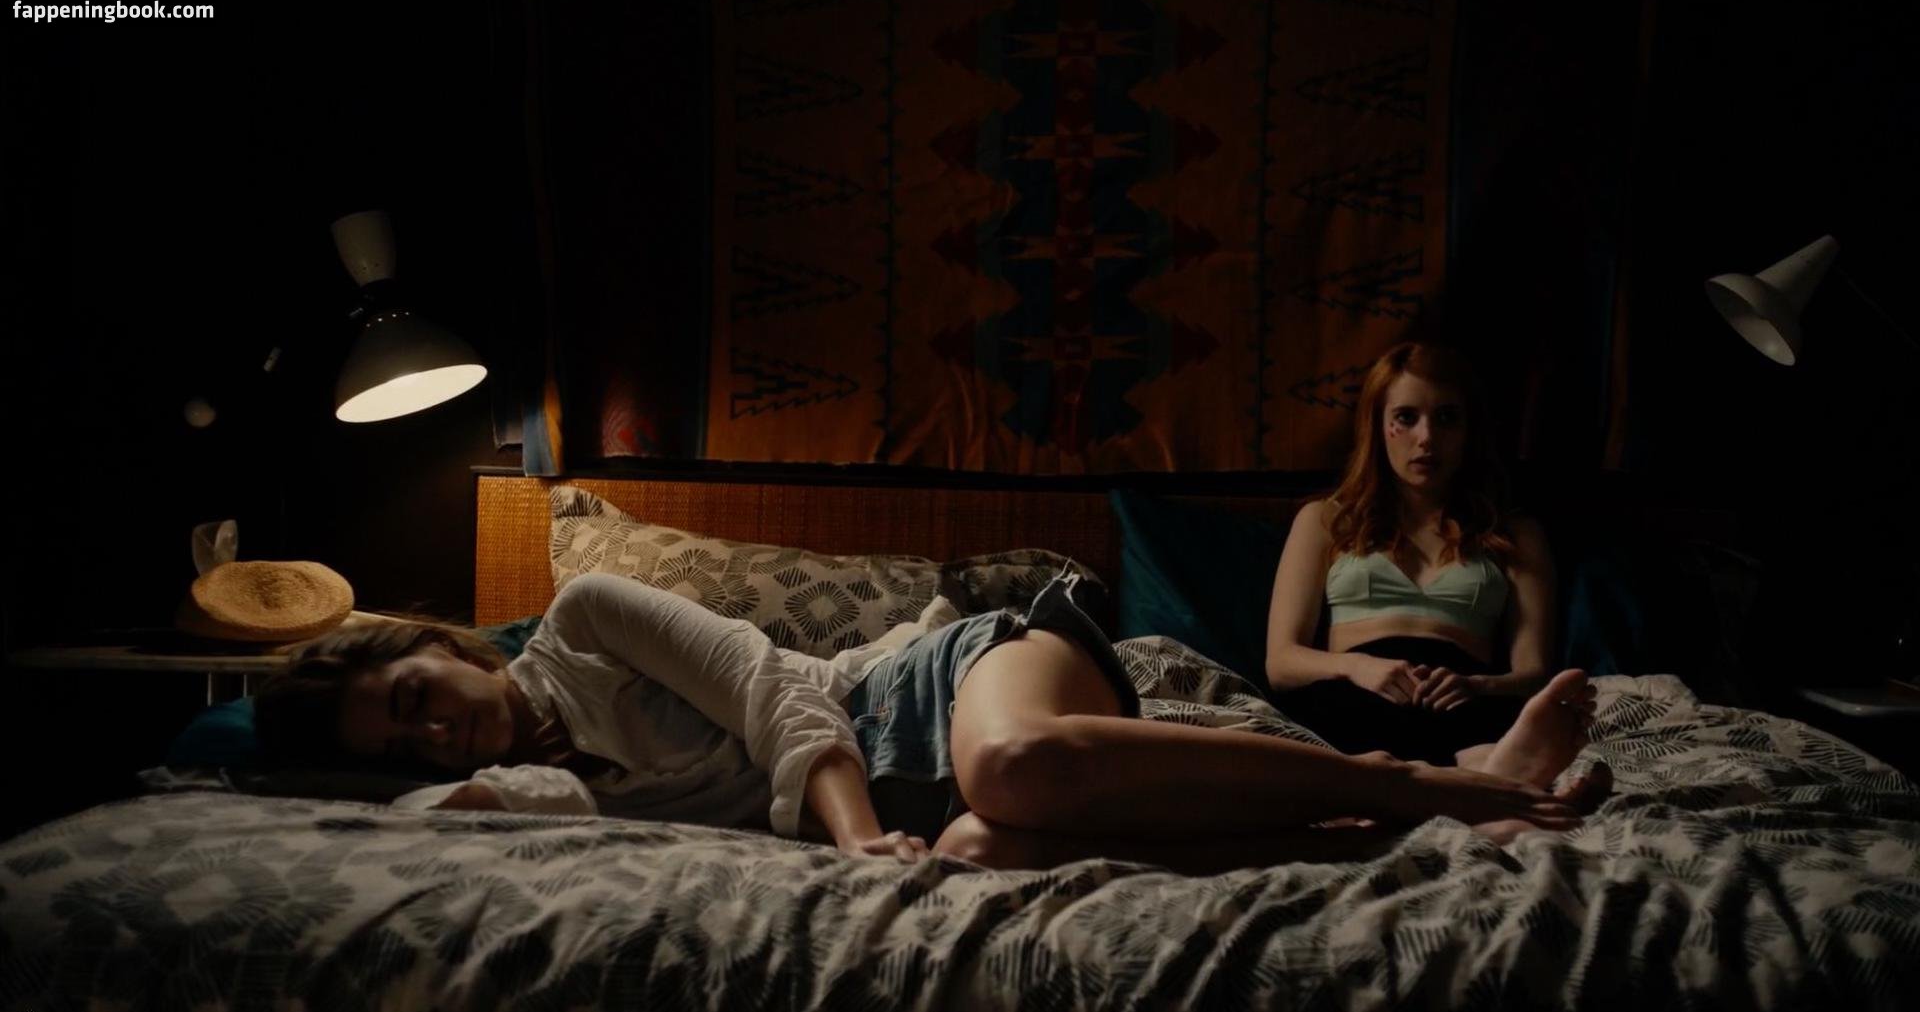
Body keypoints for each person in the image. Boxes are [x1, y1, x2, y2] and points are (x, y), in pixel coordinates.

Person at [257, 562, 1601, 877]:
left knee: (1006, 769)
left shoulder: (589, 613)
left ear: (443, 644)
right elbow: (438, 811)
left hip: (944, 683)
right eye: (400, 743)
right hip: (919, 805)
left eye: (416, 697)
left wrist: (850, 840)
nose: (432, 734)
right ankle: (1389, 824)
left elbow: (775, 689)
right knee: (975, 857)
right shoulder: (539, 796)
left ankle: (1420, 781)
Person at [1265, 340, 1607, 803]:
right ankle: (1512, 791)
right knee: (1354, 747)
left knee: (1480, 739)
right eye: (1406, 418)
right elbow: (1282, 662)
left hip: (1463, 699)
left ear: (1469, 431)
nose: (1426, 438)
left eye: (1446, 418)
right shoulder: (1326, 520)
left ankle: (1492, 780)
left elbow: (1532, 671)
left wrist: (1477, 685)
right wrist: (1357, 667)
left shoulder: (1514, 533)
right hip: (1355, 694)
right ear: (1378, 426)